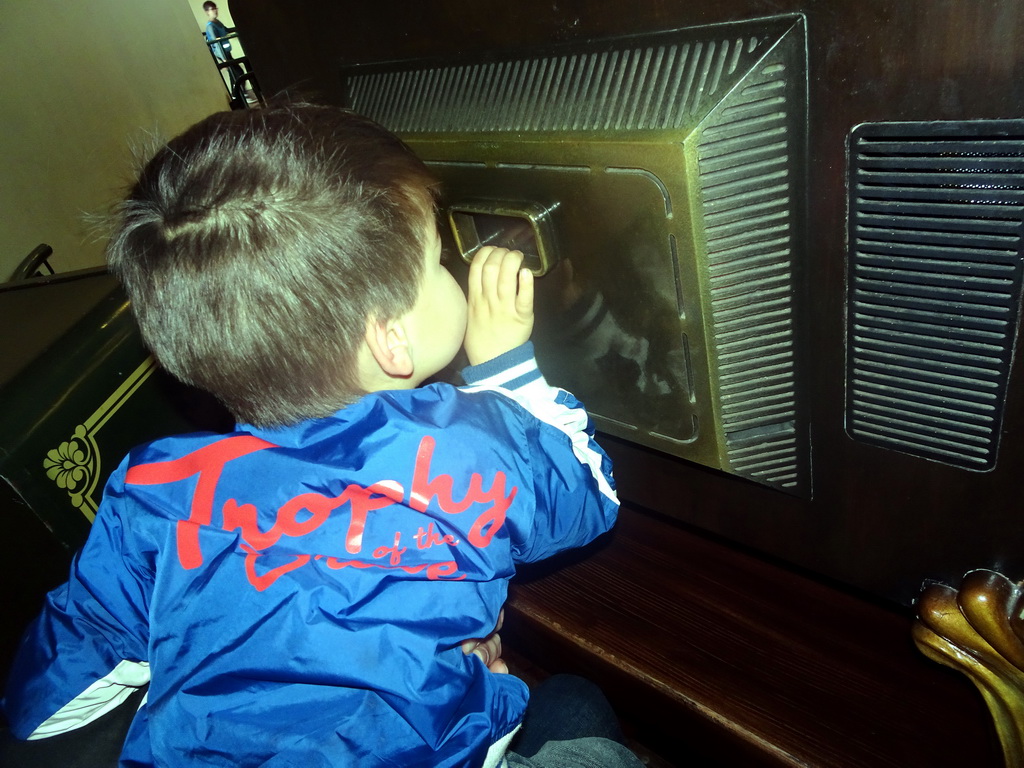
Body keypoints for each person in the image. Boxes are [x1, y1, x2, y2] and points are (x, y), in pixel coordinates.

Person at [1, 104, 642, 767]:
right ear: (392, 338)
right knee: (581, 717)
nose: (450, 267)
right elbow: (587, 490)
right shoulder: (470, 449)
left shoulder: (150, 488)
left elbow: (62, 679)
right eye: (433, 260)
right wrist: (507, 373)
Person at [203, 1, 245, 99]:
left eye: (215, 8)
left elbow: (227, 30)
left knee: (234, 74)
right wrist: (223, 59)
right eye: (212, 9)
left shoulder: (217, 22)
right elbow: (215, 43)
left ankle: (237, 97)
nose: (215, 11)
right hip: (223, 55)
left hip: (227, 52)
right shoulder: (210, 26)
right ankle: (238, 96)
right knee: (237, 73)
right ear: (207, 12)